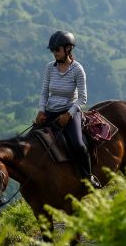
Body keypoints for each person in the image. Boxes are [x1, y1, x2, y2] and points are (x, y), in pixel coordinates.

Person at [34, 30, 101, 189]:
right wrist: (41, 111)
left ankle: (88, 177)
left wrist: (69, 115)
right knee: (33, 142)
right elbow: (44, 92)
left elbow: (82, 98)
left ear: (68, 49)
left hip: (70, 112)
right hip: (50, 112)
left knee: (78, 144)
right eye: (53, 50)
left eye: (57, 49)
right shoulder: (50, 68)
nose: (54, 53)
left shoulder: (77, 69)